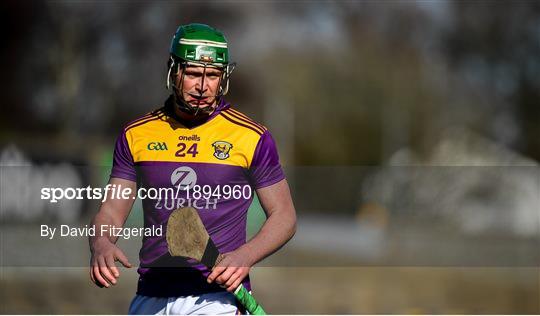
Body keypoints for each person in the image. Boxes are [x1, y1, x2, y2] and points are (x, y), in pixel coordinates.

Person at [89, 23, 297, 315]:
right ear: (174, 71)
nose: (203, 85)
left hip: (216, 298)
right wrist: (101, 242)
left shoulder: (252, 137)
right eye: (194, 74)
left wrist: (245, 256)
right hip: (151, 294)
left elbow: (285, 216)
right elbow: (111, 210)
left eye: (212, 75)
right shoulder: (136, 134)